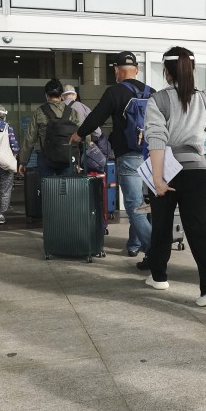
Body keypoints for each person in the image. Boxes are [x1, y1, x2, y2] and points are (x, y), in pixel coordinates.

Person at [145, 47, 206, 307]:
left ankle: (159, 276)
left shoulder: (158, 100)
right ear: (191, 70)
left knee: (161, 224)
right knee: (199, 228)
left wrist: (158, 180)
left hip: (167, 168)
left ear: (167, 72)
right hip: (197, 169)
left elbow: (157, 140)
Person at [71, 52, 153, 265]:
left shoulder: (115, 92)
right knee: (144, 204)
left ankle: (155, 249)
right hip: (154, 157)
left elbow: (96, 117)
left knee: (134, 204)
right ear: (137, 69)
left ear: (116, 70)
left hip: (129, 157)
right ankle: (134, 244)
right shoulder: (152, 92)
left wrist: (78, 134)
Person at [17, 78, 83, 181]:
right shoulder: (72, 112)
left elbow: (30, 138)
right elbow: (83, 134)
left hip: (45, 157)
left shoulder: (40, 112)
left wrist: (23, 162)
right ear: (61, 95)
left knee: (47, 190)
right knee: (68, 191)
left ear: (46, 95)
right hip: (68, 157)